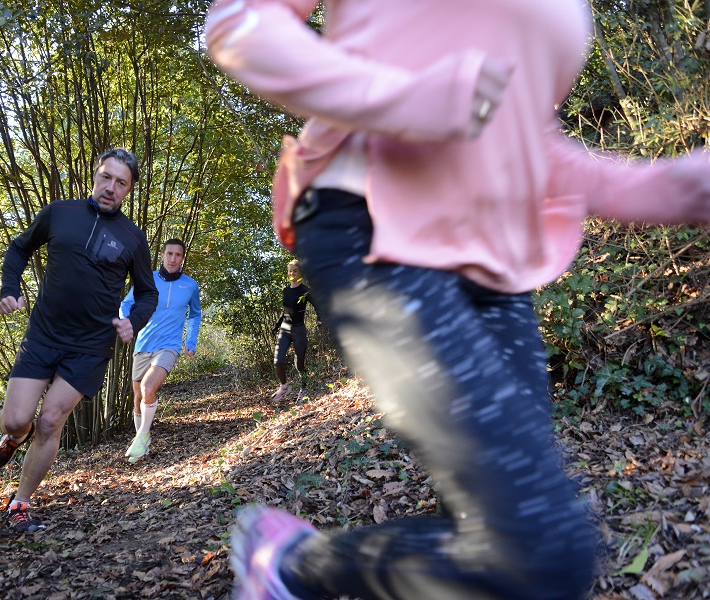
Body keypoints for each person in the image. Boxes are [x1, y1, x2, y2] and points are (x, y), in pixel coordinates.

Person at [205, 1, 710, 599]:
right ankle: (290, 564)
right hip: (371, 224)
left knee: (493, 534)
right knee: (542, 554)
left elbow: (522, 141)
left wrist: (657, 186)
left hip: (495, 267)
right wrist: (401, 98)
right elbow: (239, 24)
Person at [0, 148, 158, 532]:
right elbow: (19, 247)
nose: (110, 187)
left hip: (90, 346)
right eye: (105, 177)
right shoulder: (59, 213)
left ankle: (20, 502)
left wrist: (133, 320)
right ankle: (16, 435)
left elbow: (148, 293)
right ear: (95, 176)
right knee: (16, 418)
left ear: (129, 190)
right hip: (44, 334)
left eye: (120, 183)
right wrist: (10, 289)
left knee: (50, 421)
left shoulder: (133, 238)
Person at [119, 238, 201, 462]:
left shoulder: (190, 285)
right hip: (143, 344)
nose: (174, 258)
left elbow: (194, 314)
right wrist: (126, 321)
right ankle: (142, 444)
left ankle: (143, 436)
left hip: (169, 346)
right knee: (137, 398)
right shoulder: (148, 279)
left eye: (178, 255)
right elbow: (126, 304)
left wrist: (190, 342)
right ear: (162, 256)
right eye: (170, 254)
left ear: (183, 258)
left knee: (148, 388)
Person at [271, 259, 319, 402]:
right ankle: (284, 387)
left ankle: (303, 389)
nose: (292, 273)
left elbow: (318, 306)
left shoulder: (305, 291)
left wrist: (320, 321)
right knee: (277, 361)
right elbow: (285, 311)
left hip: (299, 330)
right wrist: (277, 325)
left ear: (300, 273)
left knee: (300, 364)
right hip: (284, 330)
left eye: (295, 270)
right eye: (290, 270)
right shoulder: (286, 290)